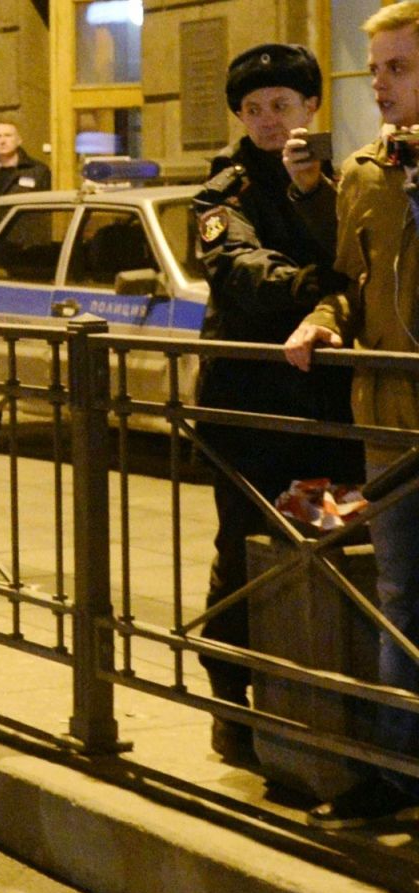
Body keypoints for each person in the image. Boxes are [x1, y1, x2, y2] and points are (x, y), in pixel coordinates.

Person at [191, 43, 362, 764]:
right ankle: (232, 702)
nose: (268, 120)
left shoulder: (344, 180)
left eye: (282, 106)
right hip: (247, 412)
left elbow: (363, 258)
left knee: (320, 537)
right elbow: (238, 269)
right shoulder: (221, 193)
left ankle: (318, 706)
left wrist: (315, 198)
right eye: (254, 109)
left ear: (311, 109)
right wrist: (313, 288)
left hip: (323, 409)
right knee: (242, 548)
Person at [285, 1, 419, 829]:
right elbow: (348, 280)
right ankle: (396, 769)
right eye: (376, 71)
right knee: (400, 596)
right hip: (393, 421)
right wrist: (323, 319)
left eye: (398, 68)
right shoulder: (367, 174)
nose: (380, 85)